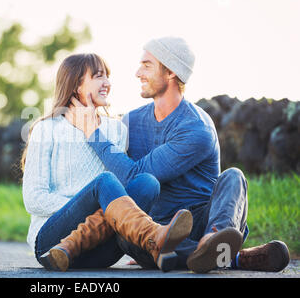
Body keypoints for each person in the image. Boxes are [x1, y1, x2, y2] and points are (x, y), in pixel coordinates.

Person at [65, 37, 290, 273]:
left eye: (147, 65)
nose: (138, 72)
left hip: (201, 222)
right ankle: (227, 257)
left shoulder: (196, 128)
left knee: (233, 176)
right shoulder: (131, 120)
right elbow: (119, 174)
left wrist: (93, 133)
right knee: (125, 238)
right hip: (156, 231)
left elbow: (135, 174)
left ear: (171, 71)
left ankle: (214, 240)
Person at [21, 53, 193, 273]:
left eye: (108, 77)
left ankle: (153, 239)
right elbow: (34, 199)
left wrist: (94, 133)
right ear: (76, 85)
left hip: (99, 251)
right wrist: (89, 205)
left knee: (147, 183)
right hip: (50, 244)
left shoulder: (116, 130)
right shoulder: (48, 129)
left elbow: (123, 190)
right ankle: (154, 236)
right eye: (98, 76)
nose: (107, 83)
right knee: (104, 182)